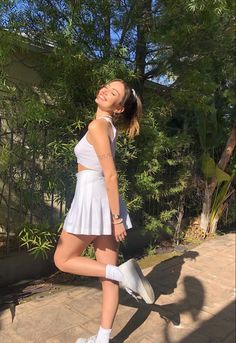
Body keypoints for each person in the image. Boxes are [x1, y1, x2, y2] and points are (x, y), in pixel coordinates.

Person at [54, 79, 155, 343]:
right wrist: (115, 215)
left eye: (114, 93)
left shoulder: (99, 125)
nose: (105, 91)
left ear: (119, 108)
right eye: (107, 87)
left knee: (62, 260)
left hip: (91, 198)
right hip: (103, 200)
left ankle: (123, 274)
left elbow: (110, 175)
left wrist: (117, 219)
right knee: (105, 272)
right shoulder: (108, 127)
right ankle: (103, 338)